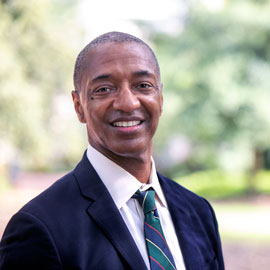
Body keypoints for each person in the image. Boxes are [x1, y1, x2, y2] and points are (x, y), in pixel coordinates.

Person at [0, 31, 224, 270]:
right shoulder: (39, 229)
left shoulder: (198, 212)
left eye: (143, 85)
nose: (128, 103)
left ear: (160, 98)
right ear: (79, 107)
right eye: (104, 89)